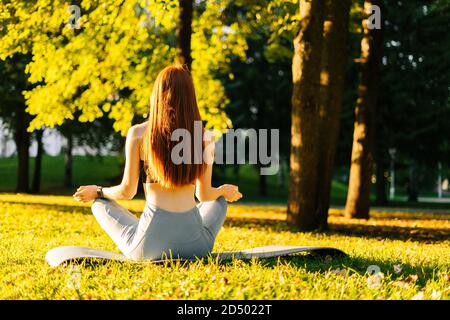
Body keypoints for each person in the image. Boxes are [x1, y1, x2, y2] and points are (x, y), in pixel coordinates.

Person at [72, 64, 242, 261]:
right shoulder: (204, 137)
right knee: (218, 200)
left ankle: (139, 226)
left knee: (100, 203)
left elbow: (127, 192)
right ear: (190, 97)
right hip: (197, 248)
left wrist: (99, 191)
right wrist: (223, 190)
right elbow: (204, 195)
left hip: (148, 249)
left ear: (158, 94)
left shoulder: (139, 133)